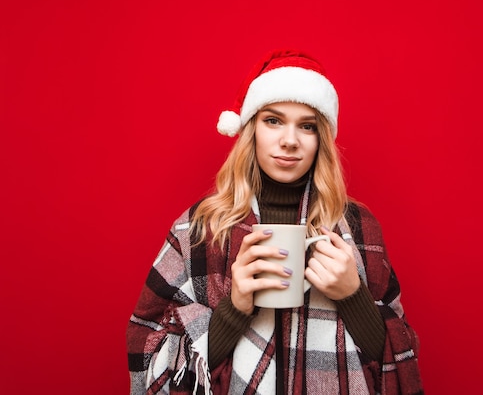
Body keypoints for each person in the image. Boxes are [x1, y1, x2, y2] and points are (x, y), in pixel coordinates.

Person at [126, 49, 424, 394]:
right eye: (273, 120)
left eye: (307, 126)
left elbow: (399, 360)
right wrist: (234, 308)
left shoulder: (358, 228)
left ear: (320, 140)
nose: (289, 140)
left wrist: (353, 296)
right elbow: (147, 356)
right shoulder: (197, 229)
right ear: (250, 129)